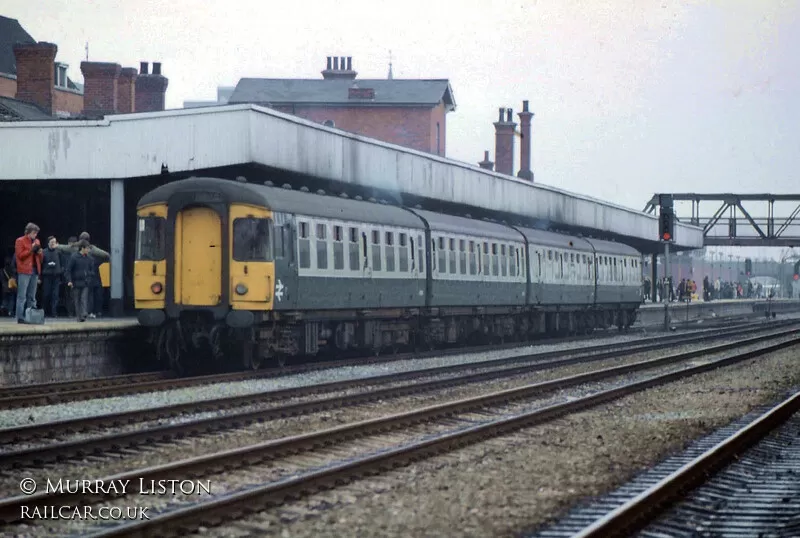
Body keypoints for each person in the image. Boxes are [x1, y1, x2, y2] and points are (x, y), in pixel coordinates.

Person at [14, 222, 43, 324]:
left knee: (32, 296)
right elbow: (20, 255)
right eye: (34, 233)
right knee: (22, 295)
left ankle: (31, 317)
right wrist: (31, 250)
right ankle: (20, 317)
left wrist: (39, 253)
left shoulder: (37, 241)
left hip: (34, 270)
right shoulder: (20, 240)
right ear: (28, 232)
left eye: (36, 233)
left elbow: (40, 258)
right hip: (24, 270)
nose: (35, 235)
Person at [65, 240, 95, 322]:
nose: (88, 250)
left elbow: (92, 271)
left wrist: (88, 275)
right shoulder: (74, 257)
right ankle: (79, 316)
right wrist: (69, 280)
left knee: (83, 298)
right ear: (82, 248)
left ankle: (84, 313)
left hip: (85, 282)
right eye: (87, 248)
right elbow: (68, 270)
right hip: (76, 282)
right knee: (77, 299)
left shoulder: (89, 259)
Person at [41, 236, 63, 317]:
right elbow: (41, 263)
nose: (53, 243)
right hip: (47, 276)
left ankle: (54, 312)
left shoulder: (59, 252)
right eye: (52, 242)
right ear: (48, 243)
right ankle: (44, 311)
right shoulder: (44, 252)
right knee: (46, 294)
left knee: (55, 295)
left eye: (54, 242)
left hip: (56, 276)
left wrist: (60, 271)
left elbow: (61, 262)